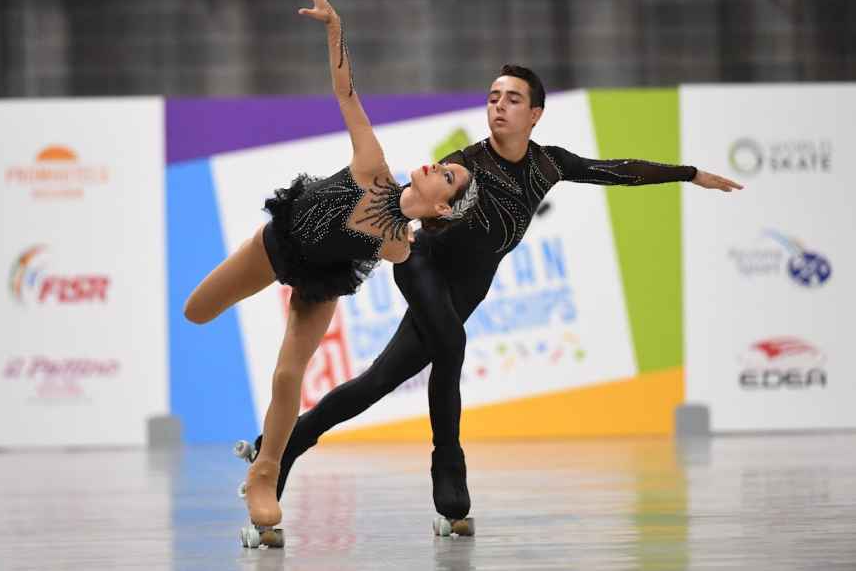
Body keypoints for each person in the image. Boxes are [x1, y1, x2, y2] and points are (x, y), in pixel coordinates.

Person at [245, 60, 743, 532]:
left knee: (378, 381)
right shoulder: (464, 164)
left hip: (467, 289)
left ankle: (282, 446)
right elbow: (422, 206)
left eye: (512, 99)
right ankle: (448, 464)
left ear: (535, 114)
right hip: (422, 267)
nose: (499, 106)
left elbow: (615, 170)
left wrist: (689, 173)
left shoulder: (549, 164)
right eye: (492, 97)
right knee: (451, 347)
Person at [183, 0, 478, 542]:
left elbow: (425, 303)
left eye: (447, 177)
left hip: (321, 283)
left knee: (289, 374)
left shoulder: (399, 246)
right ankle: (264, 465)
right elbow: (346, 92)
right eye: (444, 163)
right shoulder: (373, 164)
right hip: (277, 245)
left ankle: (264, 475)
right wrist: (335, 27)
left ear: (441, 208)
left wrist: (444, 340)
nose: (436, 166)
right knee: (196, 312)